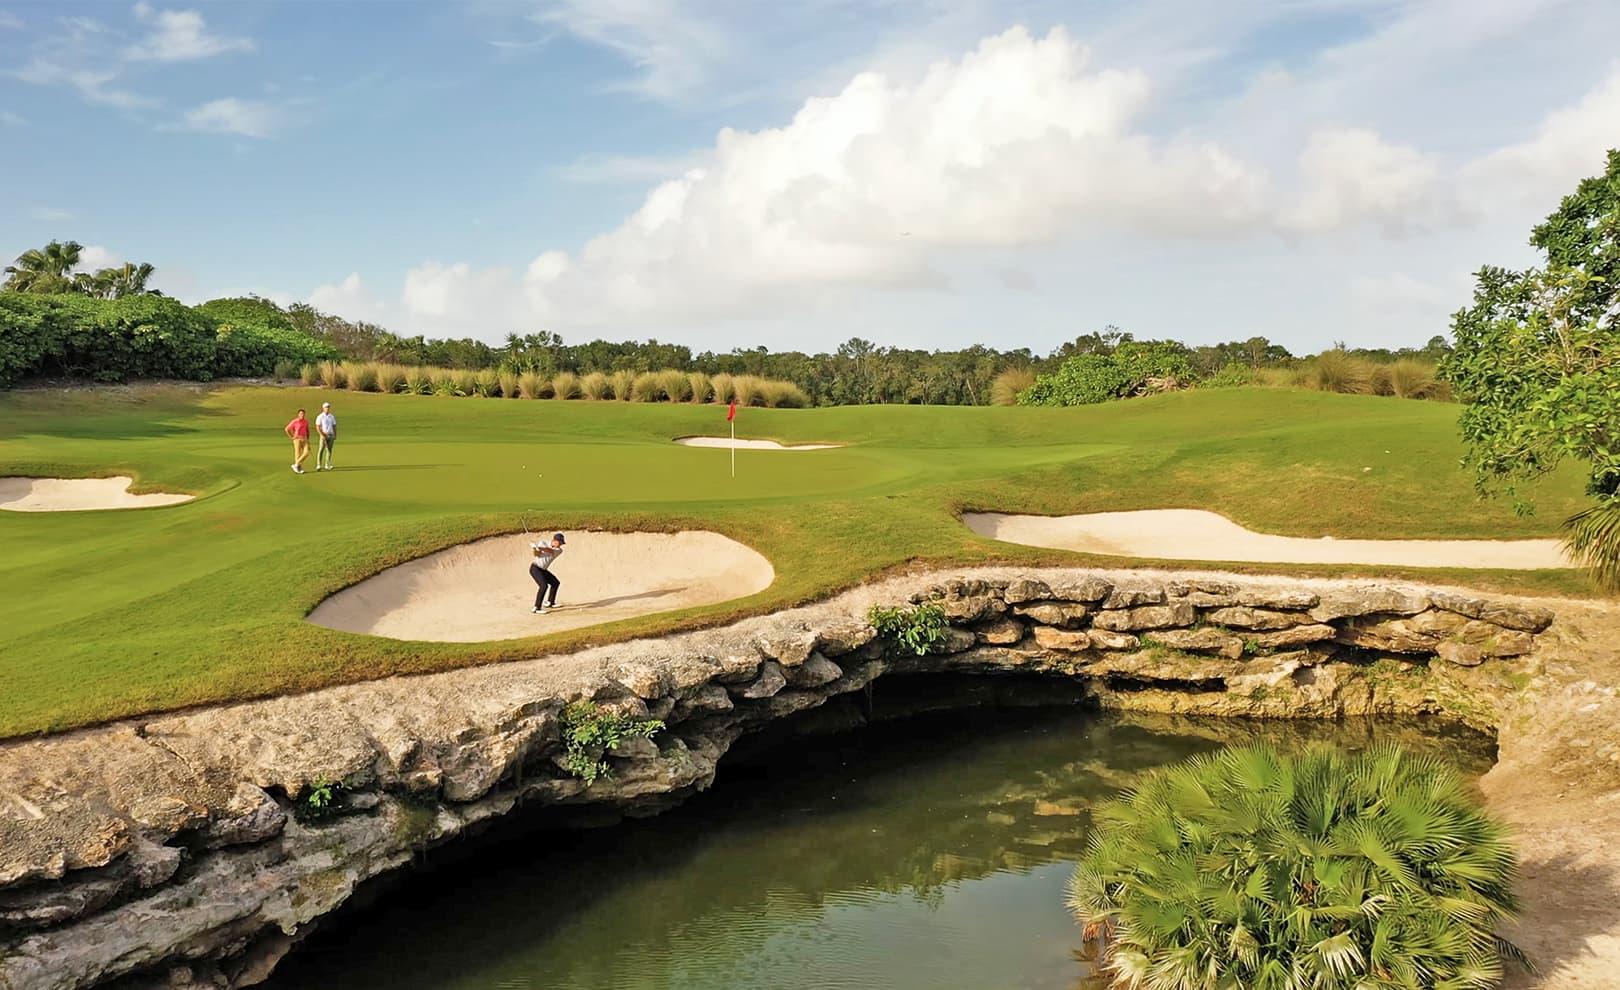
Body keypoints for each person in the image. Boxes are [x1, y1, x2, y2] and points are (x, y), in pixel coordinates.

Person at [529, 532, 565, 614]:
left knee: (555, 583)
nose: (561, 545)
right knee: (543, 586)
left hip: (543, 570)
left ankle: (550, 602)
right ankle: (536, 607)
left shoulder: (559, 550)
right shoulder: (543, 543)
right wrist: (534, 548)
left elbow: (550, 550)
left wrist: (538, 547)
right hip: (535, 568)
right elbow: (537, 555)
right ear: (555, 540)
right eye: (560, 542)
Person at [284, 408, 310, 474]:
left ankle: (296, 464)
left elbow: (307, 431)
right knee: (298, 454)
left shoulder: (306, 421)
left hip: (304, 439)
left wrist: (308, 439)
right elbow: (287, 429)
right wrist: (292, 437)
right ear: (298, 414)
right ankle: (299, 468)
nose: (302, 415)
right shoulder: (295, 421)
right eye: (301, 414)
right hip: (297, 439)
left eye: (303, 414)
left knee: (306, 452)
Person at [314, 401, 337, 471]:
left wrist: (335, 435)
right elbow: (317, 427)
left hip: (331, 435)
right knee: (321, 449)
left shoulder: (332, 416)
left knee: (329, 450)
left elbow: (334, 426)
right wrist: (322, 435)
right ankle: (318, 465)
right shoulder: (320, 416)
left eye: (328, 407)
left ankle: (327, 465)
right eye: (326, 407)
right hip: (323, 435)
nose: (327, 408)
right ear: (323, 408)